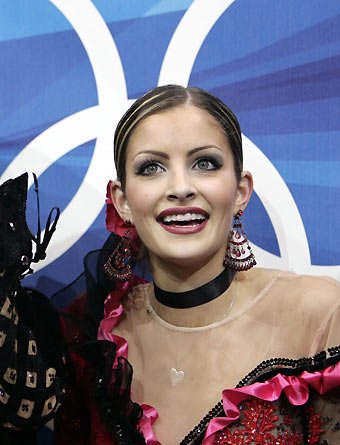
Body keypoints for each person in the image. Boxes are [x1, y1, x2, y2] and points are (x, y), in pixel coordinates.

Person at [1, 85, 340, 444]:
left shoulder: (318, 315)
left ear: (241, 190)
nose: (180, 187)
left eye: (205, 163)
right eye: (151, 168)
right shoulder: (92, 336)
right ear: (122, 200)